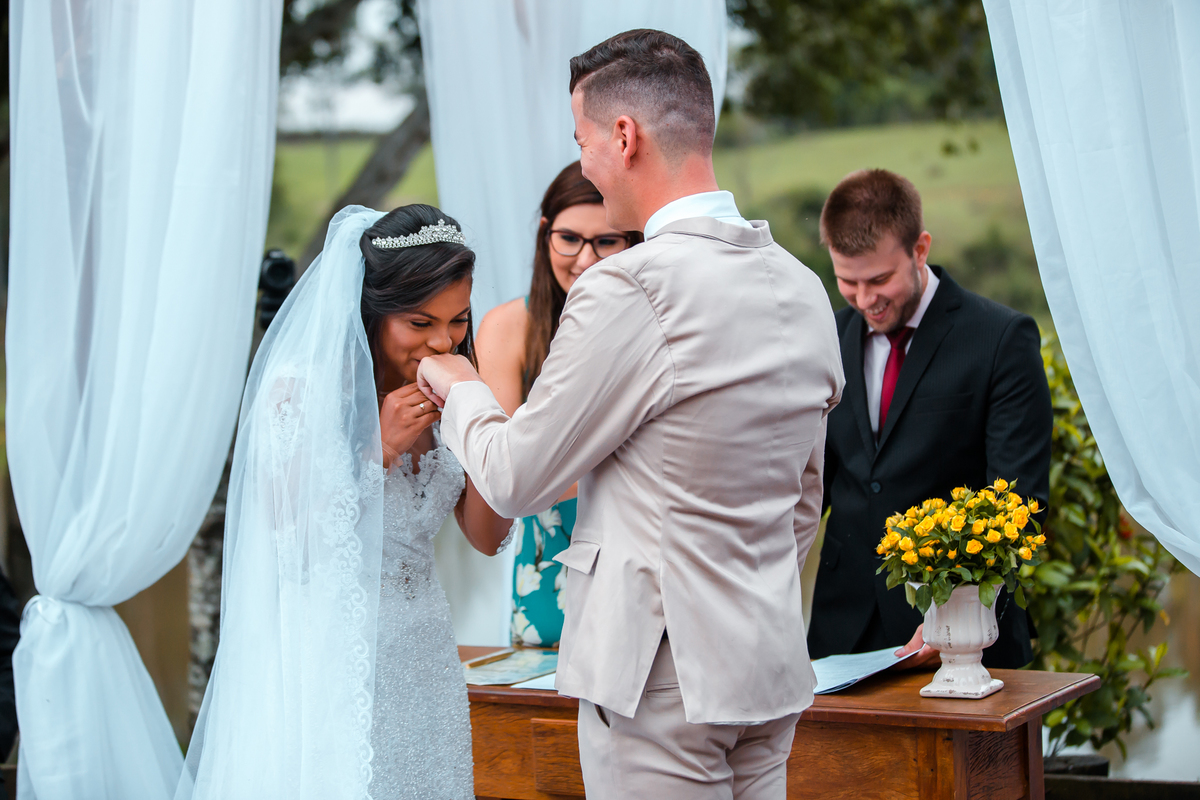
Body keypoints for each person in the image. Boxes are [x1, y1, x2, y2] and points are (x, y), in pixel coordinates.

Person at [418, 29, 843, 800]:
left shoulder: (629, 288)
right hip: (767, 664)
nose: (583, 163)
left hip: (658, 675)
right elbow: (805, 497)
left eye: (581, 140)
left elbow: (514, 480)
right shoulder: (800, 286)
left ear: (624, 136)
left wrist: (461, 385)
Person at [178, 205, 509, 800]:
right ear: (371, 311)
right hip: (332, 657)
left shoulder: (447, 390)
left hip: (424, 654)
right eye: (420, 322)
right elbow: (292, 549)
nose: (443, 341)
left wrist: (481, 418)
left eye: (458, 320)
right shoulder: (300, 391)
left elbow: (487, 537)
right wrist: (378, 449)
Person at [806, 168, 1052, 670]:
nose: (865, 300)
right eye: (847, 281)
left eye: (880, 280)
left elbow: (1018, 501)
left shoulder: (1002, 339)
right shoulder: (825, 337)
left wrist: (957, 610)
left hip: (967, 637)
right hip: (840, 631)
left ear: (920, 249)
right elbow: (811, 482)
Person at [475, 160, 642, 647]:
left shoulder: (651, 322)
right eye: (569, 238)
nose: (585, 259)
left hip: (640, 559)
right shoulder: (508, 327)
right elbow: (502, 469)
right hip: (547, 559)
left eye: (606, 241)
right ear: (544, 233)